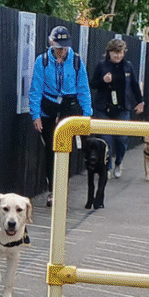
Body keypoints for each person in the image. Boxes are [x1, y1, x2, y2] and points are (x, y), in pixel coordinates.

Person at [29, 25, 92, 206]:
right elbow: (35, 89)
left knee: (67, 148)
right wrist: (36, 115)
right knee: (51, 149)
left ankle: (63, 188)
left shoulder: (76, 61)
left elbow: (84, 90)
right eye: (58, 47)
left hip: (69, 105)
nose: (61, 51)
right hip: (48, 106)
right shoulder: (42, 61)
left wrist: (86, 115)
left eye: (64, 47)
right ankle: (52, 190)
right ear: (51, 43)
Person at [90, 37, 145, 177]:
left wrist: (140, 101)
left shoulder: (128, 66)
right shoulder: (102, 65)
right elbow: (93, 84)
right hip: (104, 108)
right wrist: (103, 81)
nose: (118, 56)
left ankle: (119, 162)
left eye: (120, 53)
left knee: (121, 138)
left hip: (122, 108)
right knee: (106, 139)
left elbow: (134, 85)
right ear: (109, 52)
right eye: (115, 53)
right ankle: (107, 167)